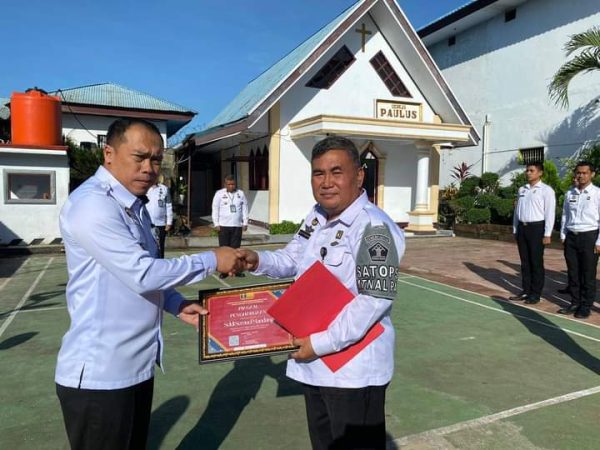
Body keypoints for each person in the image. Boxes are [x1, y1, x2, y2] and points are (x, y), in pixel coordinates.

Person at [55, 118, 242, 450]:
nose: (149, 168)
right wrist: (212, 259)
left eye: (156, 159)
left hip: (135, 369)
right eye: (139, 157)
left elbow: (140, 275)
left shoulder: (133, 205)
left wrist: (174, 303)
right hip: (101, 375)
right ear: (108, 154)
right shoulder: (93, 205)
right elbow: (143, 273)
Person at [238, 136, 405, 449]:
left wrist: (319, 343)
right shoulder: (316, 217)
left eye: (336, 171)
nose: (326, 182)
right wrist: (256, 259)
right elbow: (292, 258)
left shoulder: (374, 228)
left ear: (358, 176)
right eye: (318, 173)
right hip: (314, 363)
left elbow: (374, 299)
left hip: (353, 370)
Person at [557, 161, 600, 319]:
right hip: (571, 237)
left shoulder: (597, 193)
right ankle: (574, 302)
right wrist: (563, 234)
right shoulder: (570, 193)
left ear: (592, 174)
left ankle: (585, 305)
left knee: (588, 274)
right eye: (578, 173)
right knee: (573, 272)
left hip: (589, 236)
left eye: (584, 173)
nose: (581, 176)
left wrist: (599, 242)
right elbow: (565, 216)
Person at [509, 162, 555, 304]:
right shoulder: (522, 189)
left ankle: (535, 293)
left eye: (531, 170)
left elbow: (550, 213)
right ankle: (526, 290)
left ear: (540, 173)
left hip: (537, 229)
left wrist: (547, 233)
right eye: (527, 170)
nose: (528, 173)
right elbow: (517, 211)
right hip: (523, 228)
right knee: (525, 262)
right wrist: (515, 228)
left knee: (535, 262)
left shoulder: (546, 190)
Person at [212, 174, 249, 277]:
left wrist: (245, 222)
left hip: (237, 226)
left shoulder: (240, 194)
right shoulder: (219, 194)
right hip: (223, 226)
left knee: (236, 250)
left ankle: (236, 270)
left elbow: (245, 208)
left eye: (233, 184)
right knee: (224, 250)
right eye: (229, 184)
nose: (231, 186)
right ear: (225, 184)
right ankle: (224, 271)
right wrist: (216, 223)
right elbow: (215, 209)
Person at [146, 177, 173, 258]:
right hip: (147, 223)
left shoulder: (164, 189)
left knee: (160, 247)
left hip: (160, 223)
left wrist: (169, 222)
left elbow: (168, 206)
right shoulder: (145, 188)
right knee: (147, 246)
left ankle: (161, 264)